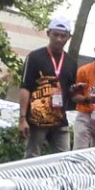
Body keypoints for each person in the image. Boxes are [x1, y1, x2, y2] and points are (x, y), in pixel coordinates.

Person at [19, 16, 79, 158]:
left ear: (68, 37)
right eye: (55, 34)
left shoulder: (71, 62)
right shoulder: (35, 57)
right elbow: (25, 87)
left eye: (63, 36)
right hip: (36, 119)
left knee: (64, 158)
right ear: (48, 34)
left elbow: (71, 92)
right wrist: (22, 118)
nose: (59, 39)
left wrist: (82, 96)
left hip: (59, 120)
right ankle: (27, 180)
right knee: (32, 157)